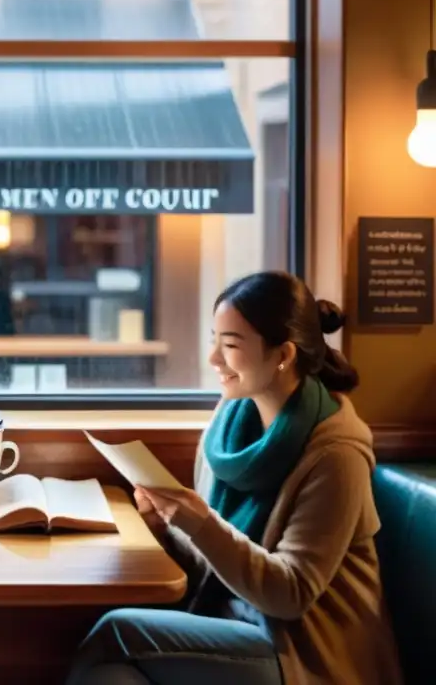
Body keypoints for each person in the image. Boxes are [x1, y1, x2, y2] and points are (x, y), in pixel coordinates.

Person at [66, 271, 402, 685]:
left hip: (300, 651)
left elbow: (290, 593)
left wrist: (197, 521)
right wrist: (164, 524)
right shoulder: (228, 427)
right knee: (114, 677)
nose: (214, 359)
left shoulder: (336, 455)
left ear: (283, 355)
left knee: (117, 632)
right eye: (215, 340)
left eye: (230, 345)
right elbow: (215, 558)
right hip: (233, 620)